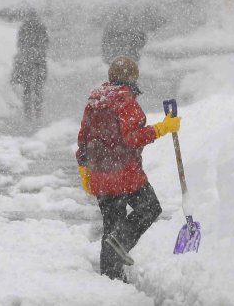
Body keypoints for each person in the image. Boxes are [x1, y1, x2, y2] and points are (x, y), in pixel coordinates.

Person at [75, 56, 181, 281]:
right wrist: (162, 128)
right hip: (124, 175)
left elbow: (83, 138)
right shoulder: (125, 102)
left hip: (100, 176)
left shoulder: (94, 102)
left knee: (111, 226)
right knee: (150, 208)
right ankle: (121, 241)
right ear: (133, 78)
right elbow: (132, 138)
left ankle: (111, 278)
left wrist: (84, 169)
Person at [10, 11, 48, 120]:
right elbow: (45, 43)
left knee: (27, 88)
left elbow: (20, 44)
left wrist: (26, 52)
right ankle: (37, 112)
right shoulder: (41, 27)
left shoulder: (24, 28)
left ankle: (28, 113)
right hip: (38, 60)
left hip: (27, 60)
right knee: (37, 88)